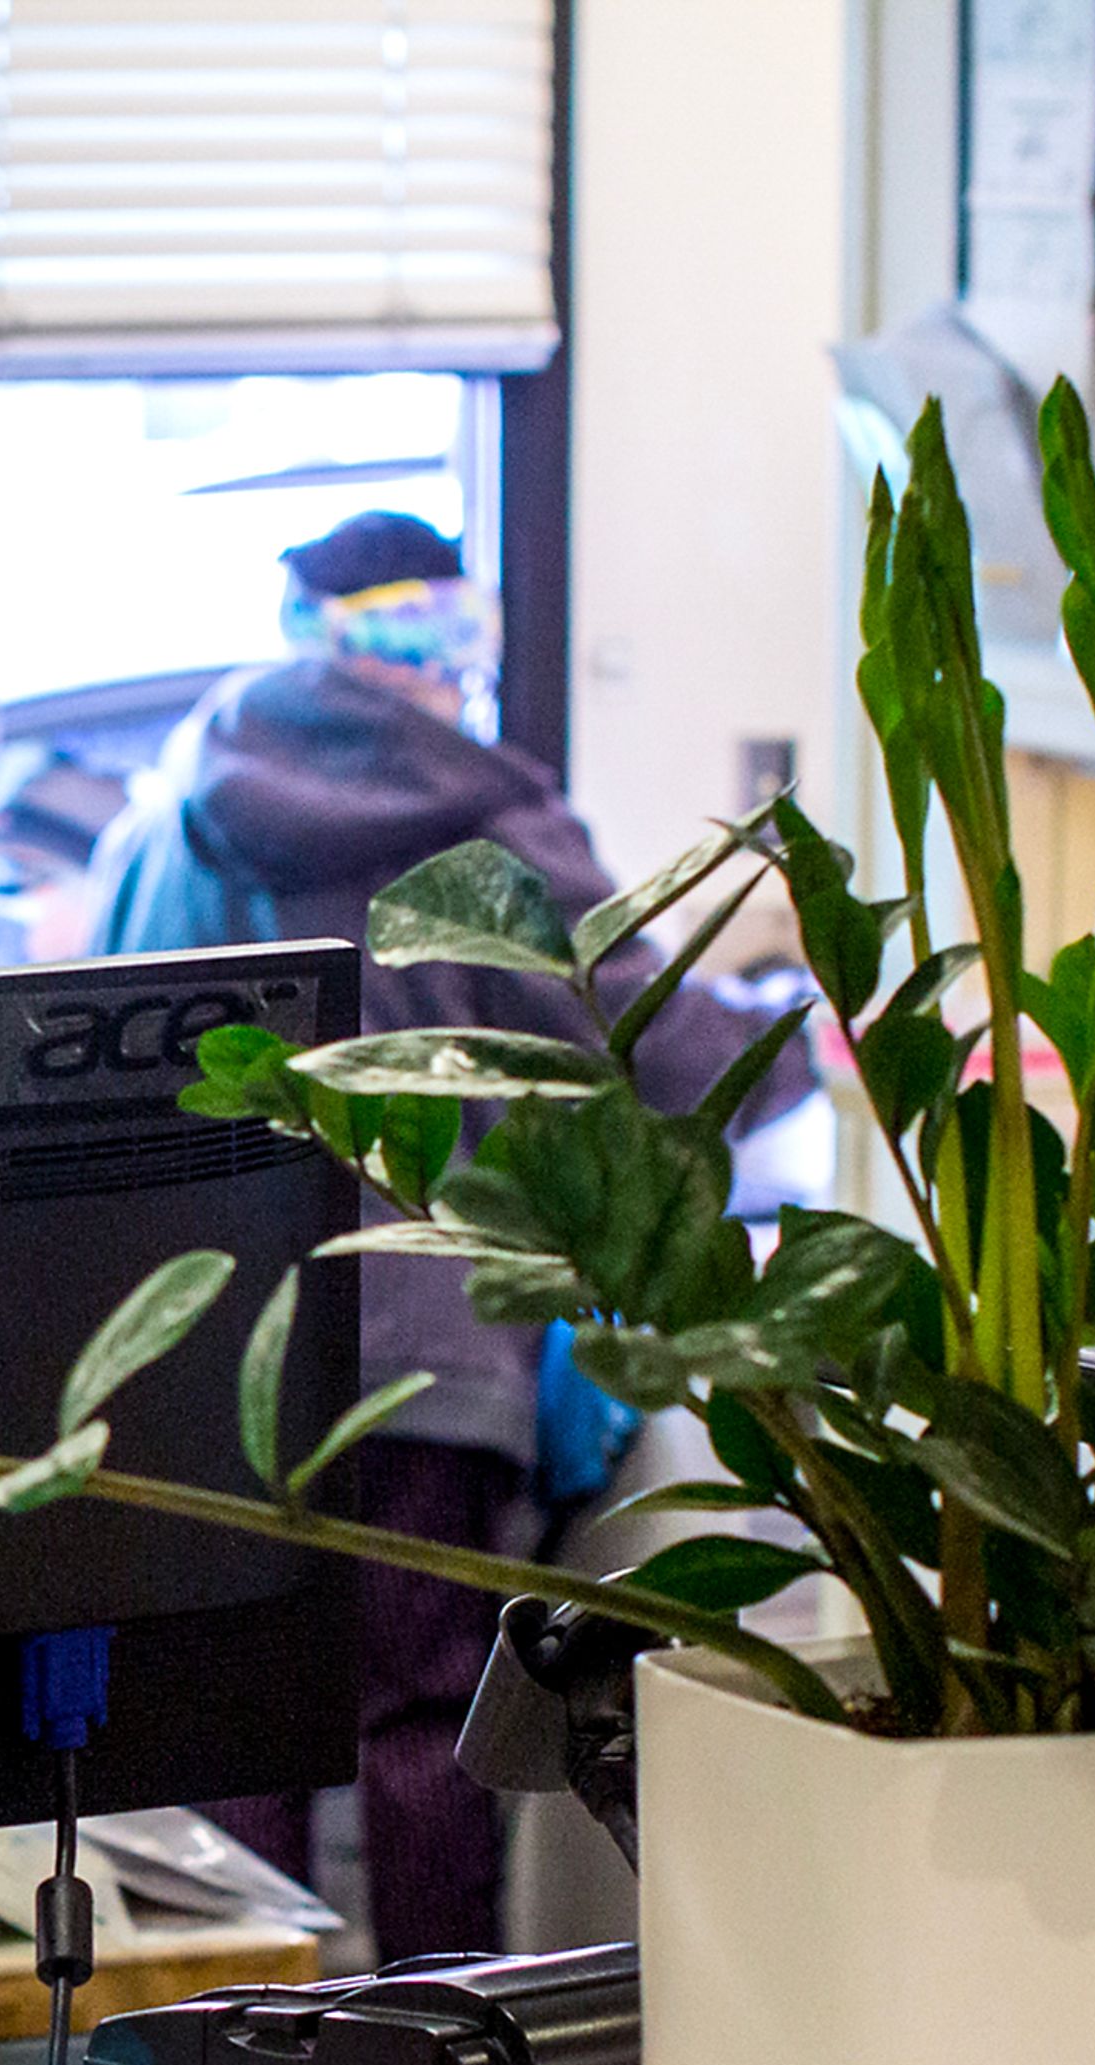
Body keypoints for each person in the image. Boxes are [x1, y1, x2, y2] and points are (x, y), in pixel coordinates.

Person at [82, 511, 809, 1960]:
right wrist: (812, 1023)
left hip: (209, 1346)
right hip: (420, 1350)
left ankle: (231, 2057)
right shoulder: (478, 819)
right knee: (423, 1722)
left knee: (240, 1718)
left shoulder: (170, 806)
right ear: (435, 642)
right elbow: (661, 1053)